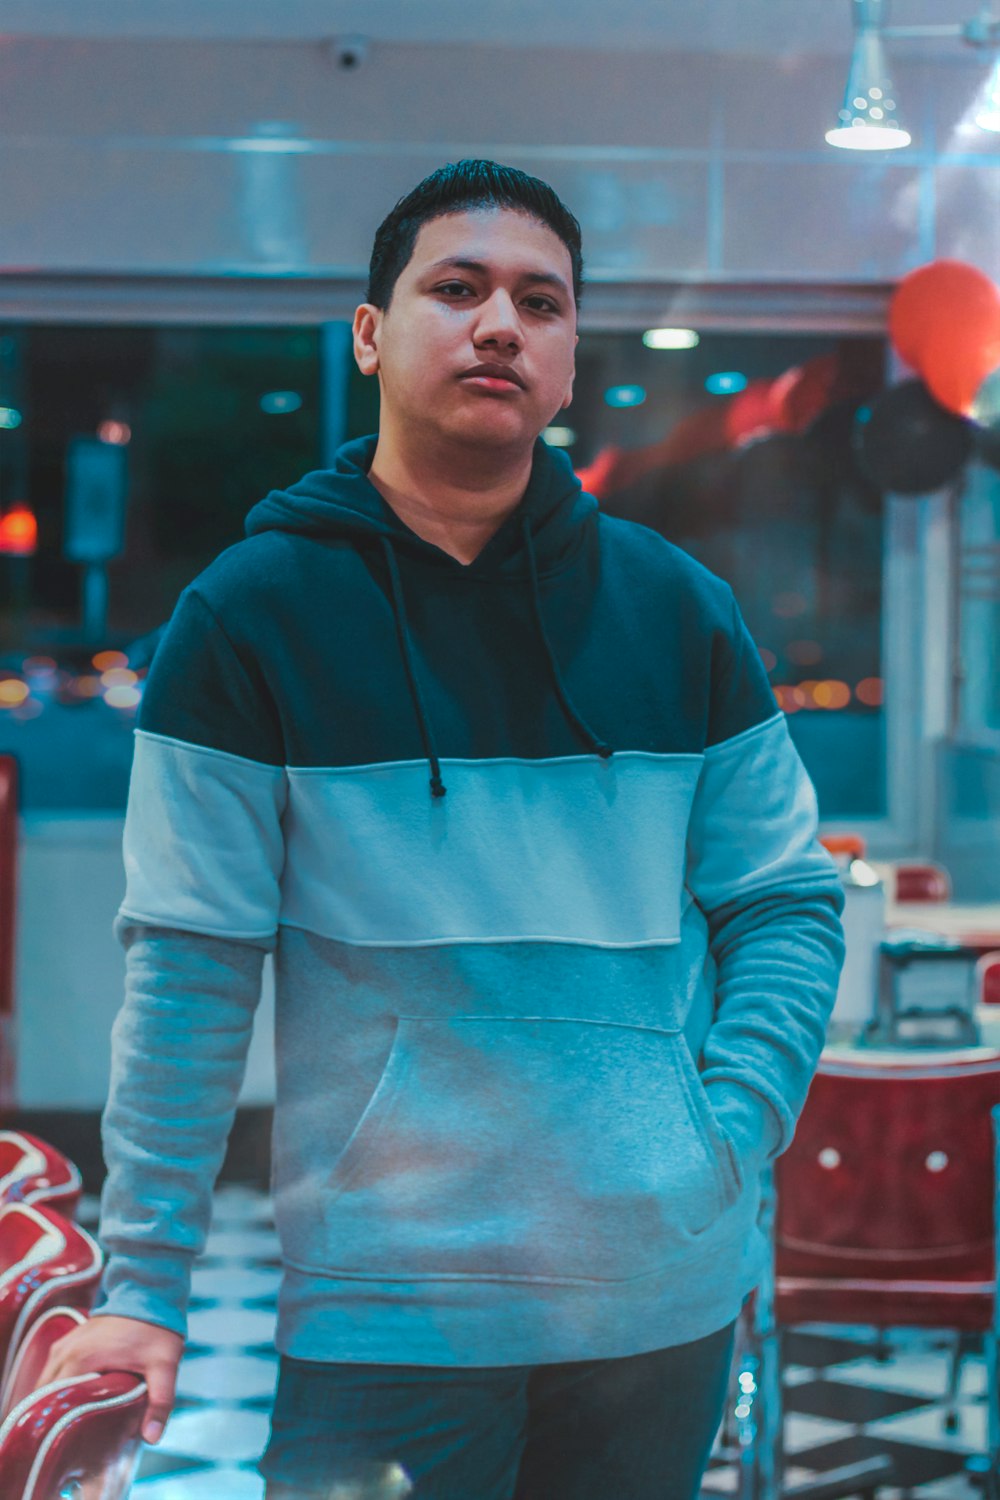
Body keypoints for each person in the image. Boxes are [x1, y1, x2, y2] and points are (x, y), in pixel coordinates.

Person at [40, 159, 845, 1499]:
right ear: (370, 334)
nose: (499, 325)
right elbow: (189, 969)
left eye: (541, 301)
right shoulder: (249, 620)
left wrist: (728, 1124)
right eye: (456, 288)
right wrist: (145, 1283)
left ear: (572, 356)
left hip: (655, 1303)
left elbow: (783, 899)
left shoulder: (679, 611)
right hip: (386, 1303)